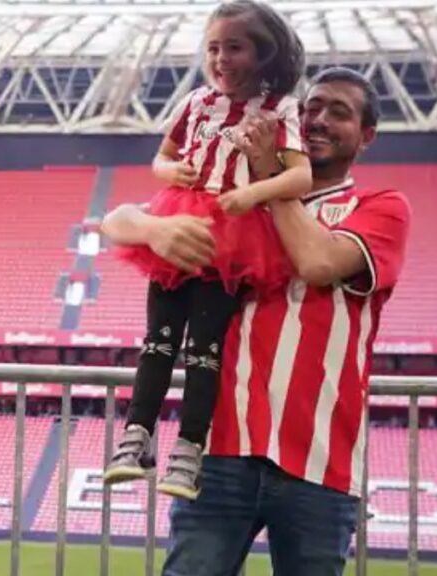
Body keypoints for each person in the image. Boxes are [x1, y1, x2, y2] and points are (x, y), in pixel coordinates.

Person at [101, 67, 411, 575]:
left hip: (318, 461)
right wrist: (153, 227)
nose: (318, 120)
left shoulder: (379, 207)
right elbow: (115, 221)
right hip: (219, 450)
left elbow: (316, 263)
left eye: (340, 112)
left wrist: (269, 178)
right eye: (311, 107)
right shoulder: (235, 197)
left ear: (367, 136)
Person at [103, 0, 313, 501]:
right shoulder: (196, 101)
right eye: (213, 47)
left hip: (234, 233)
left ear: (264, 53)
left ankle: (189, 449)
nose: (221, 59)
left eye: (234, 47)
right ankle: (136, 436)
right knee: (158, 338)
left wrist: (251, 194)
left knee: (204, 349)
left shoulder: (280, 107)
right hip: (178, 217)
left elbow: (299, 175)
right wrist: (170, 173)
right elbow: (162, 157)